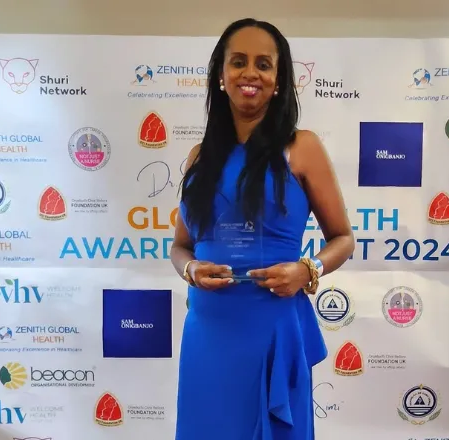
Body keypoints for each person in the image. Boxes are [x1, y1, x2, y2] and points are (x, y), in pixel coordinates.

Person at [170, 17, 355, 440]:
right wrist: (191, 270)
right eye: (238, 62)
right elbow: (180, 246)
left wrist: (308, 271)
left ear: (278, 81)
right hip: (209, 331)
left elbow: (343, 240)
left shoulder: (301, 146)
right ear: (221, 76)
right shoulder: (199, 157)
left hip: (271, 325)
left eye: (263, 64)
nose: (250, 73)